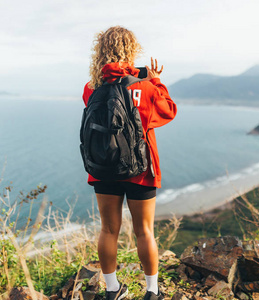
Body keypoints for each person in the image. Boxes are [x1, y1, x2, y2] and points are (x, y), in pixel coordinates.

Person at [82, 26, 177, 300]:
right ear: (132, 50)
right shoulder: (145, 86)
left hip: (104, 168)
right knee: (144, 231)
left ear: (100, 52)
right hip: (141, 169)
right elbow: (168, 111)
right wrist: (156, 81)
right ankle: (151, 291)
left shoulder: (91, 89)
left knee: (108, 229)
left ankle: (112, 290)